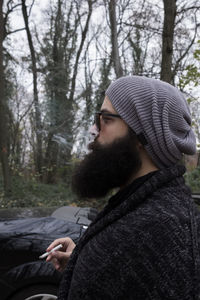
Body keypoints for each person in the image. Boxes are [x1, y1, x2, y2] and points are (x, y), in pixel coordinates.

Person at [46, 76, 200, 300]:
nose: (93, 129)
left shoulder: (154, 231)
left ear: (143, 136)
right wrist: (83, 257)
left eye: (106, 119)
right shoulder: (145, 205)